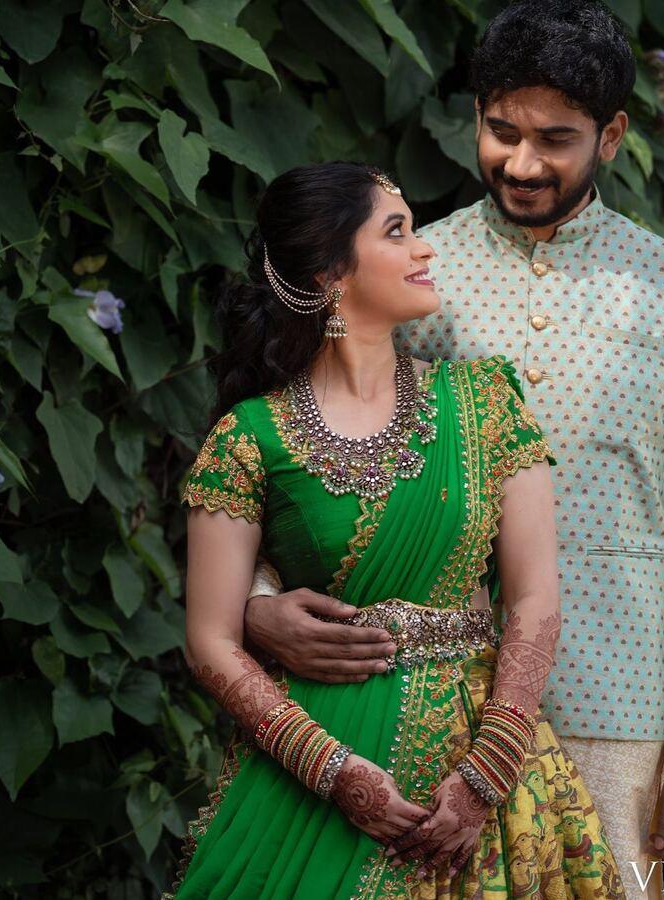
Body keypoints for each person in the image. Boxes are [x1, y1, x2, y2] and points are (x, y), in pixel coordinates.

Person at [244, 2, 664, 897]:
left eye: (555, 138)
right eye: (500, 130)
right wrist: (260, 599)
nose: (521, 162)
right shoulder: (410, 272)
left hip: (617, 702)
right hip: (429, 694)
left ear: (614, 135)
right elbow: (302, 447)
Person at [165, 161, 625, 899]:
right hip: (313, 777)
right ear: (329, 273)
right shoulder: (249, 440)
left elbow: (535, 600)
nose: (424, 249)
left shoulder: (486, 404)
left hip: (481, 768)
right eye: (397, 232)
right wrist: (336, 772)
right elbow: (211, 641)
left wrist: (487, 774)